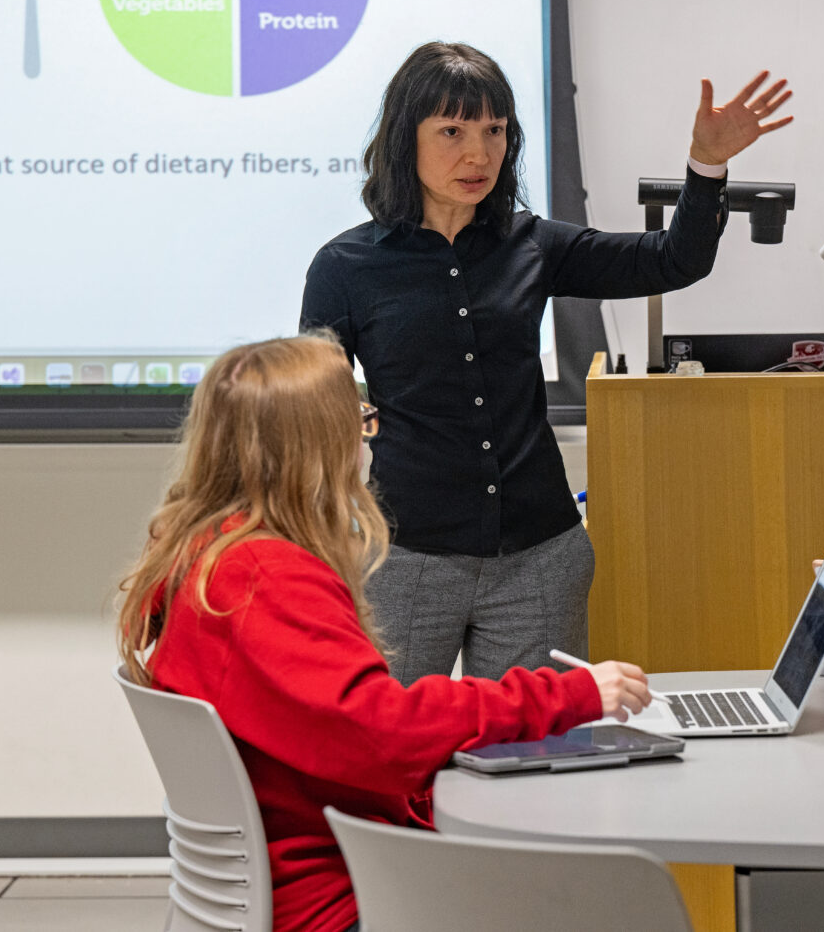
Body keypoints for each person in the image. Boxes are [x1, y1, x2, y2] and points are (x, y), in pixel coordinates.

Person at [117, 334, 651, 932]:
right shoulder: (266, 576)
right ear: (318, 446)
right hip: (342, 892)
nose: (366, 440)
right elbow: (383, 732)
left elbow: (348, 733)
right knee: (611, 897)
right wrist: (568, 695)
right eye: (360, 420)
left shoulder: (204, 554)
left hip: (306, 868)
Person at [301, 42, 791, 683]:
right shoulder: (345, 268)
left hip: (539, 558)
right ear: (404, 139)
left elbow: (674, 260)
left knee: (537, 762)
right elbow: (305, 418)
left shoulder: (532, 243)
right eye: (451, 131)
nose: (478, 154)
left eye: (494, 131)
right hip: (405, 558)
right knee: (390, 757)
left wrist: (707, 165)